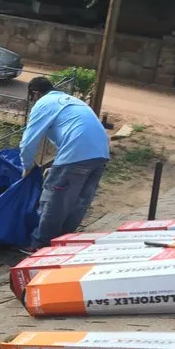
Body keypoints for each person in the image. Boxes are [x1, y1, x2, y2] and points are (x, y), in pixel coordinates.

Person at [19, 76, 110, 252]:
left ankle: (41, 246)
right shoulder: (71, 101)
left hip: (76, 154)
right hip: (101, 154)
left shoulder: (44, 103)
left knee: (55, 200)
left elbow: (28, 142)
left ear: (35, 93)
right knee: (78, 201)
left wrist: (27, 166)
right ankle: (62, 243)